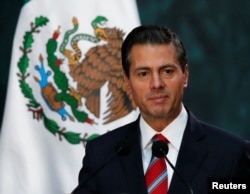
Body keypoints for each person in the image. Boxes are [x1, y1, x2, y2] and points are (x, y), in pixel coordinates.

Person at [72, 25, 250, 194]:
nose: (156, 84)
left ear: (185, 75)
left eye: (167, 71)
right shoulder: (102, 155)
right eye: (143, 74)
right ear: (127, 83)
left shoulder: (231, 155)